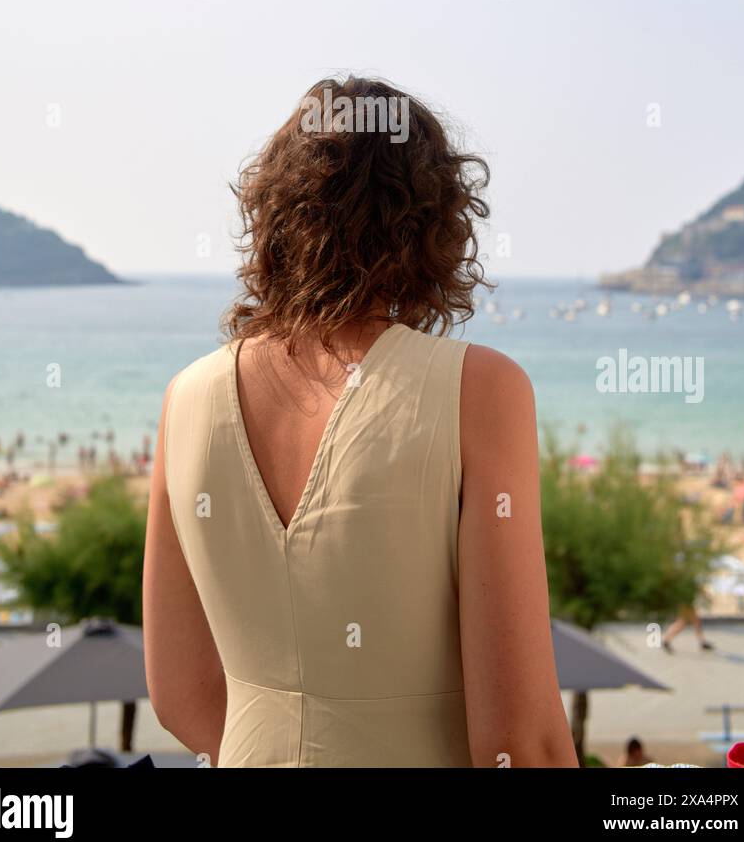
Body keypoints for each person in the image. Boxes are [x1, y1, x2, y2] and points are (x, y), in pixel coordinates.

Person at [143, 76, 577, 769]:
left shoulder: (186, 398)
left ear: (274, 216)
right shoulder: (480, 390)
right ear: (436, 221)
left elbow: (181, 694)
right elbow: (519, 741)